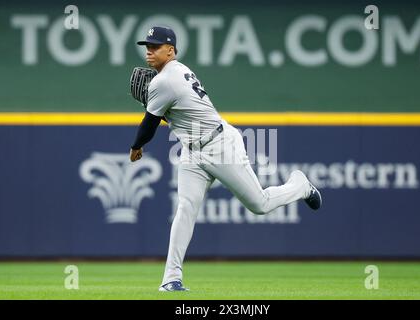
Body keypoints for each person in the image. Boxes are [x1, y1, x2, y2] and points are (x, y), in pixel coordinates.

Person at [130, 26, 322, 292]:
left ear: (171, 50)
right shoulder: (176, 72)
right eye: (147, 46)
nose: (149, 51)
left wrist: (136, 147)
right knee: (185, 208)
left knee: (260, 204)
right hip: (192, 150)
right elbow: (178, 114)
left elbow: (149, 126)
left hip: (220, 145)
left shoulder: (164, 81)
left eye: (155, 46)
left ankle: (299, 185)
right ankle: (171, 279)